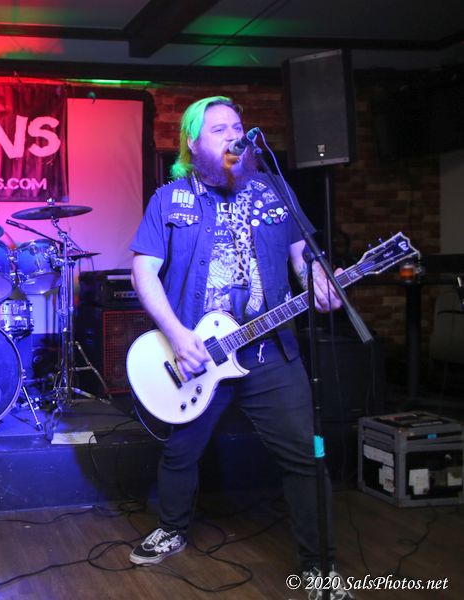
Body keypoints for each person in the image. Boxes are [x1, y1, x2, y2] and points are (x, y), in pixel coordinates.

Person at [129, 97, 354, 599]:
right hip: (198, 353)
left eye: (237, 126)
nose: (233, 134)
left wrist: (319, 281)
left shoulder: (273, 190)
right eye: (218, 129)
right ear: (192, 142)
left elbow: (304, 257)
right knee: (180, 451)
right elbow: (143, 271)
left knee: (305, 456)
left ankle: (320, 568)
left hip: (270, 351)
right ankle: (172, 527)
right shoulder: (170, 199)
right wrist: (177, 335)